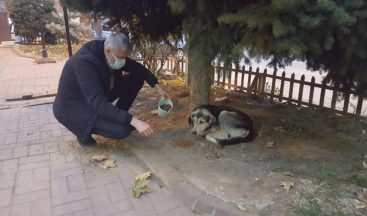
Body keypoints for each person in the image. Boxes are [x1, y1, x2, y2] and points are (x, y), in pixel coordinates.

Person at [53, 33, 170, 146]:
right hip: (74, 108)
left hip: (99, 95)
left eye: (125, 58)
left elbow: (137, 67)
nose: (123, 61)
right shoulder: (84, 63)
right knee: (123, 130)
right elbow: (97, 103)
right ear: (108, 51)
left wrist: (157, 86)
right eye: (120, 58)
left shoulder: (112, 54)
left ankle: (116, 116)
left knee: (138, 76)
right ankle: (83, 133)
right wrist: (133, 121)